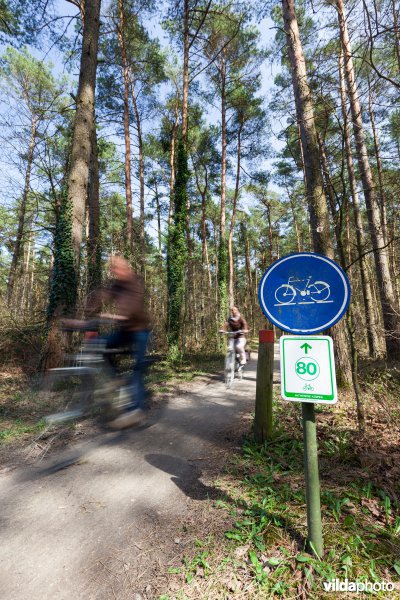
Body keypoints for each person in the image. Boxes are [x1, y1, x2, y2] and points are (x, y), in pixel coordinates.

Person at [96, 255, 151, 428]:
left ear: (125, 268)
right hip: (124, 330)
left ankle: (135, 412)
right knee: (99, 344)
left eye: (117, 268)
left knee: (137, 369)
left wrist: (116, 316)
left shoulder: (135, 282)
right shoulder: (116, 285)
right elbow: (102, 296)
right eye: (112, 269)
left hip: (140, 330)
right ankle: (116, 378)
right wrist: (83, 316)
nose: (115, 272)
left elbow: (133, 306)